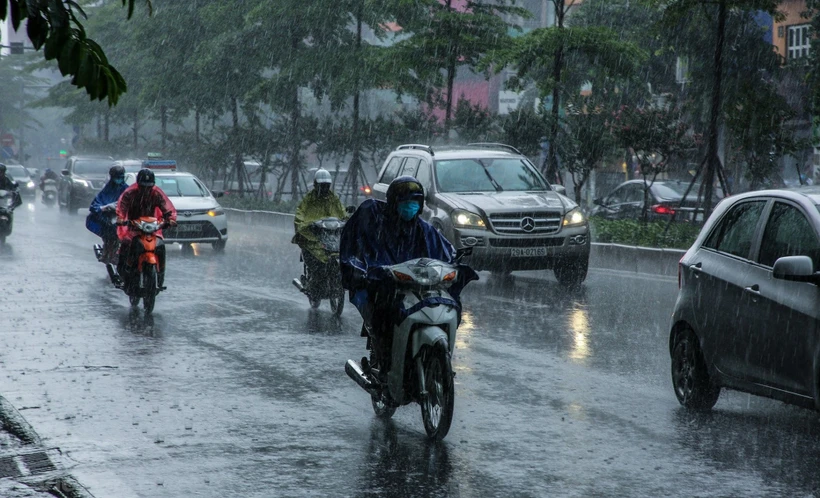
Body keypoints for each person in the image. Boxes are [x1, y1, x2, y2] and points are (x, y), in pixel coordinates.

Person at [340, 176, 476, 373]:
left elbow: (446, 254)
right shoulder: (376, 222)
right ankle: (386, 366)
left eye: (414, 203)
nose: (410, 207)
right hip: (386, 286)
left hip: (418, 287)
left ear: (420, 206)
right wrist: (362, 272)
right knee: (384, 317)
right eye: (405, 203)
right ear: (394, 203)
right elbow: (355, 251)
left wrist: (456, 265)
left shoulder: (424, 230)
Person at [116, 169, 177, 291]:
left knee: (160, 247)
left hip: (151, 228)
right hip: (134, 228)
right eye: (143, 186)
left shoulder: (156, 194)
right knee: (126, 246)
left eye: (149, 187)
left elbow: (167, 208)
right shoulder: (130, 193)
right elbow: (122, 208)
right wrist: (121, 218)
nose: (146, 189)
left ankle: (160, 276)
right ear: (138, 183)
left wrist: (170, 219)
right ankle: (123, 272)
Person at [292, 169, 346, 288]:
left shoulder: (333, 198)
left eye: (327, 185)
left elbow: (341, 211)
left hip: (330, 234)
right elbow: (300, 213)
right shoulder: (309, 199)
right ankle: (313, 279)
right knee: (313, 253)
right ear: (316, 185)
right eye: (322, 185)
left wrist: (347, 219)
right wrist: (304, 224)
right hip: (314, 234)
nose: (325, 188)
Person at [86, 165, 128, 267]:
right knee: (110, 235)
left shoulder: (127, 190)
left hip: (125, 219)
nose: (118, 179)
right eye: (116, 177)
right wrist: (105, 208)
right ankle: (108, 253)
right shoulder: (107, 189)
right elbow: (95, 205)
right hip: (110, 220)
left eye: (120, 176)